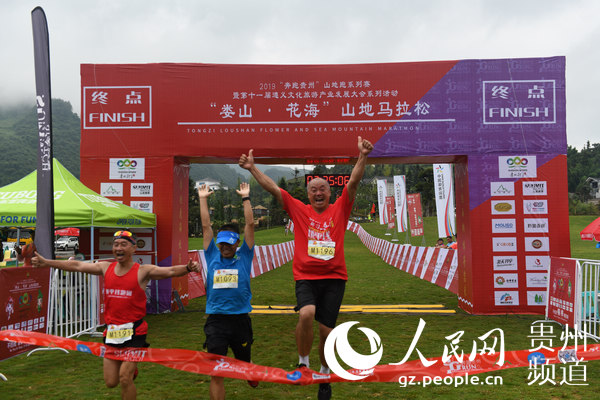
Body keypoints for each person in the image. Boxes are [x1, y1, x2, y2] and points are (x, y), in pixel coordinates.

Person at [239, 136, 373, 400]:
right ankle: (303, 363)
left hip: (334, 277)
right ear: (308, 194)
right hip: (306, 276)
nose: (318, 193)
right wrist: (252, 168)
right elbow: (273, 189)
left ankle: (324, 374)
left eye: (322, 189)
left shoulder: (340, 209)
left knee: (326, 332)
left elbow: (354, 182)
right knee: (306, 314)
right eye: (313, 190)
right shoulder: (299, 209)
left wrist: (363, 156)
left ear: (330, 193)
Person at [31, 230, 200, 400]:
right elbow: (77, 266)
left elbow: (170, 271)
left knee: (124, 378)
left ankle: (129, 370)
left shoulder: (142, 271)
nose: (119, 248)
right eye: (116, 244)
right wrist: (47, 262)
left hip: (135, 331)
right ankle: (132, 369)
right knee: (111, 382)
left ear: (133, 248)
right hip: (112, 332)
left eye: (124, 244)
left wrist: (187, 268)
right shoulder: (105, 268)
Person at [198, 183, 257, 400]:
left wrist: (246, 198)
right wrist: (203, 198)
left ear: (237, 243)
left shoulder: (245, 255)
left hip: (240, 320)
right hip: (217, 321)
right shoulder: (212, 254)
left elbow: (250, 224)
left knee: (244, 363)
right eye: (221, 243)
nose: (224, 247)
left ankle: (248, 366)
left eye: (229, 244)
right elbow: (206, 227)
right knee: (216, 372)